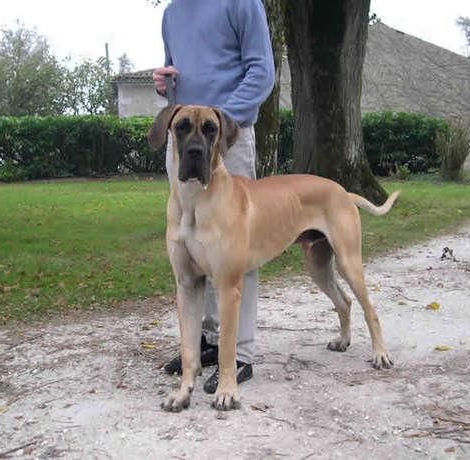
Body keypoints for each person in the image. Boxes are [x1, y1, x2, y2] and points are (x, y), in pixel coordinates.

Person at [152, 0, 275, 394]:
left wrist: (219, 124)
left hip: (224, 137)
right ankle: (208, 342)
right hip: (185, 142)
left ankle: (240, 353)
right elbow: (177, 77)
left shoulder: (242, 4)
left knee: (236, 250)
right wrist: (164, 84)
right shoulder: (172, 13)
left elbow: (262, 73)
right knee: (194, 245)